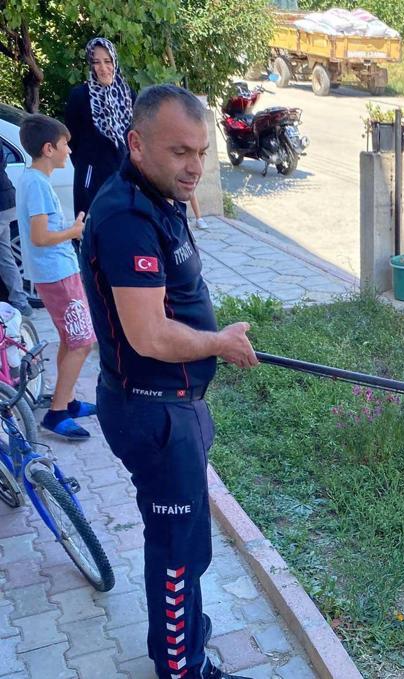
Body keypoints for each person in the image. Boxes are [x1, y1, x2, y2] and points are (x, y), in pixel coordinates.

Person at [81, 84, 259, 679]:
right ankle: (181, 666)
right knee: (178, 550)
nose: (195, 166)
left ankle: (185, 635)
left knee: (186, 539)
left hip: (175, 406)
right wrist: (219, 344)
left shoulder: (157, 198)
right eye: (180, 151)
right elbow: (148, 335)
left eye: (202, 152)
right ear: (136, 144)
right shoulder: (127, 216)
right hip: (152, 411)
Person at [16, 114, 97, 438]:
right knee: (83, 342)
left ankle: (69, 399)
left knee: (70, 338)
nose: (69, 151)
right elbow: (39, 236)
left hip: (56, 272)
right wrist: (74, 231)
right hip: (58, 274)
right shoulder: (36, 183)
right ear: (49, 148)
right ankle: (58, 412)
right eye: (65, 145)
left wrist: (68, 231)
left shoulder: (33, 179)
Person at [64, 37, 136, 218]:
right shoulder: (80, 96)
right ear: (90, 65)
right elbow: (72, 139)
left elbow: (136, 135)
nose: (103, 68)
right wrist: (87, 165)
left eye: (107, 61)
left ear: (115, 61)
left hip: (124, 174)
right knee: (89, 228)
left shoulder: (128, 95)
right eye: (96, 62)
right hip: (91, 177)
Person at [0, 149, 32, 316]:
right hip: (7, 200)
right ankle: (20, 302)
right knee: (4, 255)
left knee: (4, 255)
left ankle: (19, 302)